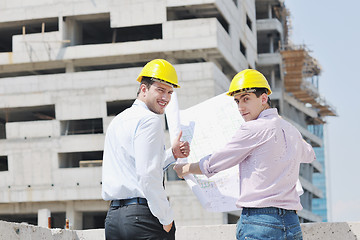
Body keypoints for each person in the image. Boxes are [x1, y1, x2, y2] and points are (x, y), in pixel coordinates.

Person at [173, 69, 315, 240]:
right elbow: (310, 155)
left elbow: (214, 163)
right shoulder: (291, 130)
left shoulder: (253, 128)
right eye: (237, 101)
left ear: (264, 98)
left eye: (246, 99)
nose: (240, 107)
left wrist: (185, 168)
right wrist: (290, 133)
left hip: (259, 222)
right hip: (292, 223)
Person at [102, 59, 190, 240]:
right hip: (142, 217)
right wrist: (166, 218)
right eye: (160, 89)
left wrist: (172, 154)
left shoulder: (118, 120)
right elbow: (147, 174)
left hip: (114, 219)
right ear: (144, 89)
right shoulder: (150, 120)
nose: (166, 97)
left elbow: (136, 166)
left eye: (169, 92)